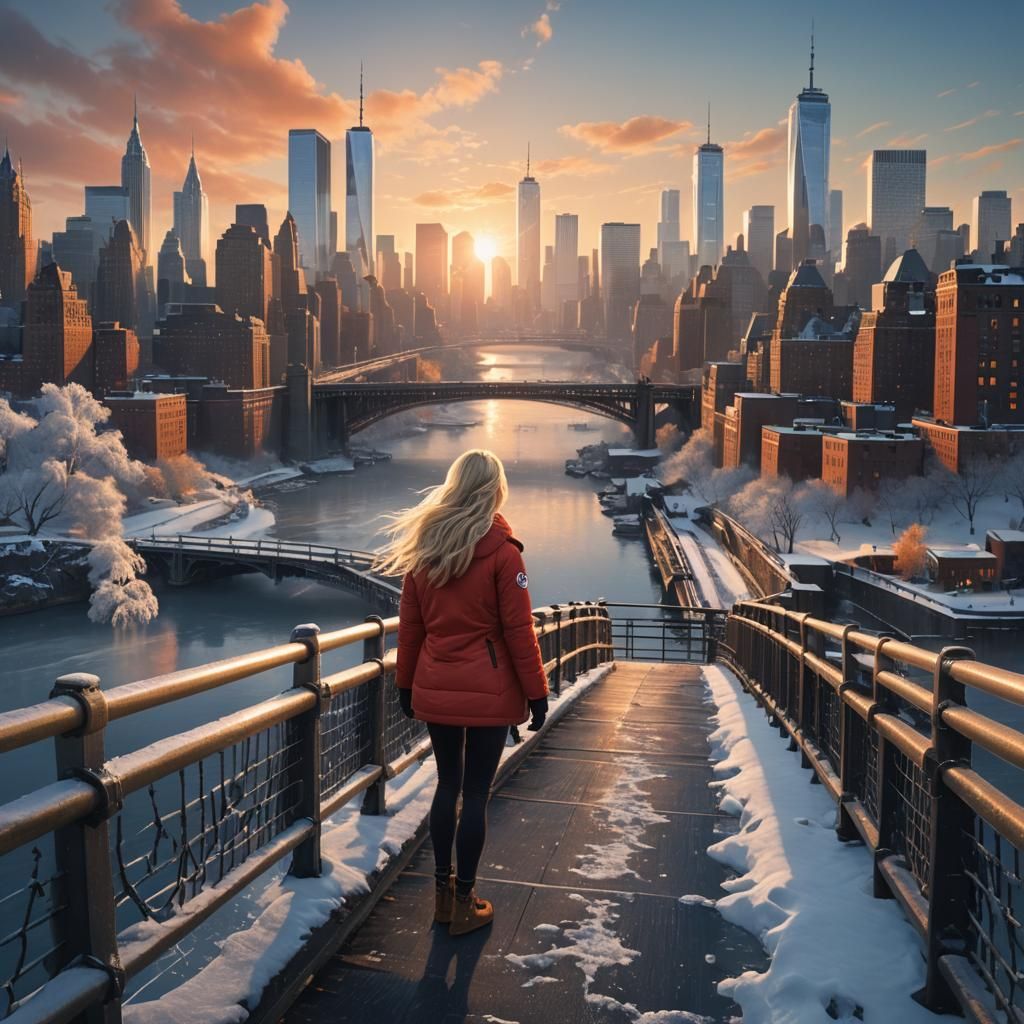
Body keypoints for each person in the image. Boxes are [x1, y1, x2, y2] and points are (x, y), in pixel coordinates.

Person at [374, 449, 549, 937]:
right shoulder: (503, 554)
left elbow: (410, 632)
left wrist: (405, 686)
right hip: (491, 695)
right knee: (476, 793)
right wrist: (537, 695)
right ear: (494, 490)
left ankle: (440, 900)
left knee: (446, 785)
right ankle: (466, 899)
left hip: (438, 689)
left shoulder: (425, 551)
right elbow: (520, 632)